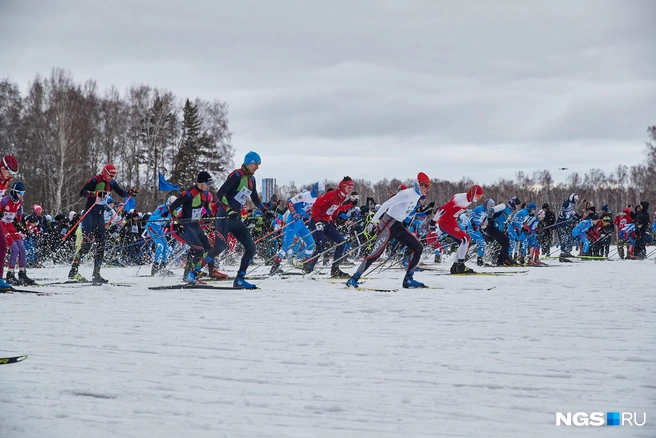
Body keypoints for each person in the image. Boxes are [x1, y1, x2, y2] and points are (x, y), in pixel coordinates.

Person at [192, 152, 265, 289]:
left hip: (236, 218)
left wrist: (265, 210)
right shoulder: (236, 175)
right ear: (249, 162)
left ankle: (240, 279)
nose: (257, 167)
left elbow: (254, 198)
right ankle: (194, 272)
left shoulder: (251, 180)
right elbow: (221, 193)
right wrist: (229, 210)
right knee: (219, 247)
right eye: (256, 164)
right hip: (225, 216)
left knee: (251, 247)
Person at [347, 172, 431, 289]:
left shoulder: (417, 195)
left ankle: (408, 280)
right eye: (427, 186)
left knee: (418, 248)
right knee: (376, 254)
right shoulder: (406, 194)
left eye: (429, 186)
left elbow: (406, 211)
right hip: (388, 224)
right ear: (420, 184)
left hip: (398, 225)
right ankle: (354, 278)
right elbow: (386, 204)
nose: (428, 189)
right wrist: (373, 221)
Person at [68, 164, 138, 283]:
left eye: (113, 175)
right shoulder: (95, 180)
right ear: (104, 172)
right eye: (109, 175)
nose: (111, 177)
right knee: (87, 243)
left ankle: (96, 274)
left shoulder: (112, 183)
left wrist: (130, 193)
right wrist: (95, 194)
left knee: (101, 243)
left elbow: (121, 193)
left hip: (100, 215)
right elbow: (82, 192)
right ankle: (73, 271)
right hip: (90, 214)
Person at [166, 171, 215, 284]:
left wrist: (213, 217)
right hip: (185, 224)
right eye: (207, 183)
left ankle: (206, 272)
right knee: (199, 250)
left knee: (208, 248)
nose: (208, 186)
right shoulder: (190, 193)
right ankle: (189, 275)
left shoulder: (205, 194)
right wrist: (177, 223)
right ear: (200, 183)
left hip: (195, 224)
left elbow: (208, 209)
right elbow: (173, 207)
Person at [270, 182, 325, 274]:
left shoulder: (316, 199)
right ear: (315, 189)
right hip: (292, 222)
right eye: (320, 191)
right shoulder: (304, 195)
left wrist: (311, 217)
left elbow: (307, 211)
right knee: (287, 244)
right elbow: (289, 202)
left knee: (310, 243)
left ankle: (306, 264)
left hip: (300, 223)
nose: (320, 194)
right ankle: (275, 265)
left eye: (322, 192)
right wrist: (295, 214)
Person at [306, 176, 355, 278]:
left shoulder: (342, 197)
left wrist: (334, 219)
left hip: (326, 222)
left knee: (341, 242)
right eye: (348, 188)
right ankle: (308, 267)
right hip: (316, 221)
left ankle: (335, 270)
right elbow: (316, 206)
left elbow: (336, 208)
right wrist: (317, 221)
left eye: (351, 188)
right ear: (343, 186)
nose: (350, 190)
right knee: (321, 247)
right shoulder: (332, 194)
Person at [431, 185, 484, 274]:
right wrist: (433, 221)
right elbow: (443, 208)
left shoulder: (468, 200)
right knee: (465, 238)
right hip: (446, 222)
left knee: (463, 242)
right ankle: (460, 265)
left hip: (452, 221)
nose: (478, 199)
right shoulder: (460, 199)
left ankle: (455, 266)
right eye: (478, 196)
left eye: (480, 197)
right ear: (473, 193)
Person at [1, 181, 35, 286]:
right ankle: (10, 275)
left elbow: (19, 211)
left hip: (11, 225)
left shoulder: (19, 202)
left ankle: (22, 273)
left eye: (23, 193)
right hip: (3, 226)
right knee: (14, 249)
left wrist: (20, 224)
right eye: (20, 192)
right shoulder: (5, 200)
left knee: (22, 249)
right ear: (14, 191)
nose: (21, 195)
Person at [0, 155, 19, 290]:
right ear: (3, 167)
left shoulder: (4, 180)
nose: (11, 176)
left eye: (14, 173)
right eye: (10, 172)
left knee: (2, 245)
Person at [147, 195, 178, 276]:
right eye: (170, 206)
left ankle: (162, 267)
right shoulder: (161, 208)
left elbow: (176, 220)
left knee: (166, 246)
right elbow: (151, 218)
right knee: (160, 246)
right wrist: (161, 216)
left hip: (159, 228)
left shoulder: (174, 211)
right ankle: (155, 267)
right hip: (151, 227)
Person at [487, 197, 519, 266]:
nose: (517, 207)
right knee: (506, 240)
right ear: (513, 204)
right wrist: (490, 219)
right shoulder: (503, 206)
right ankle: (506, 259)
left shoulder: (510, 212)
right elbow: (491, 210)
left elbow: (502, 222)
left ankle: (500, 261)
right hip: (492, 227)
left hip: (497, 229)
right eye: (517, 205)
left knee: (505, 243)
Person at [557, 193, 579, 261]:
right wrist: (564, 218)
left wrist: (576, 215)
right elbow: (562, 211)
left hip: (566, 223)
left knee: (569, 237)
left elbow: (570, 211)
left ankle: (567, 251)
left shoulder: (572, 204)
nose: (576, 201)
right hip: (561, 223)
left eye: (576, 200)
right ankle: (562, 253)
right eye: (575, 199)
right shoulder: (566, 203)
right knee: (564, 238)